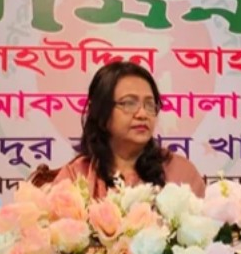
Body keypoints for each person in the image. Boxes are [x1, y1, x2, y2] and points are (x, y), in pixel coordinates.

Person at [52, 61, 206, 198]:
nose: (142, 114)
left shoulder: (181, 173)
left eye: (150, 105)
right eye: (129, 103)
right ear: (101, 111)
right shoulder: (75, 177)